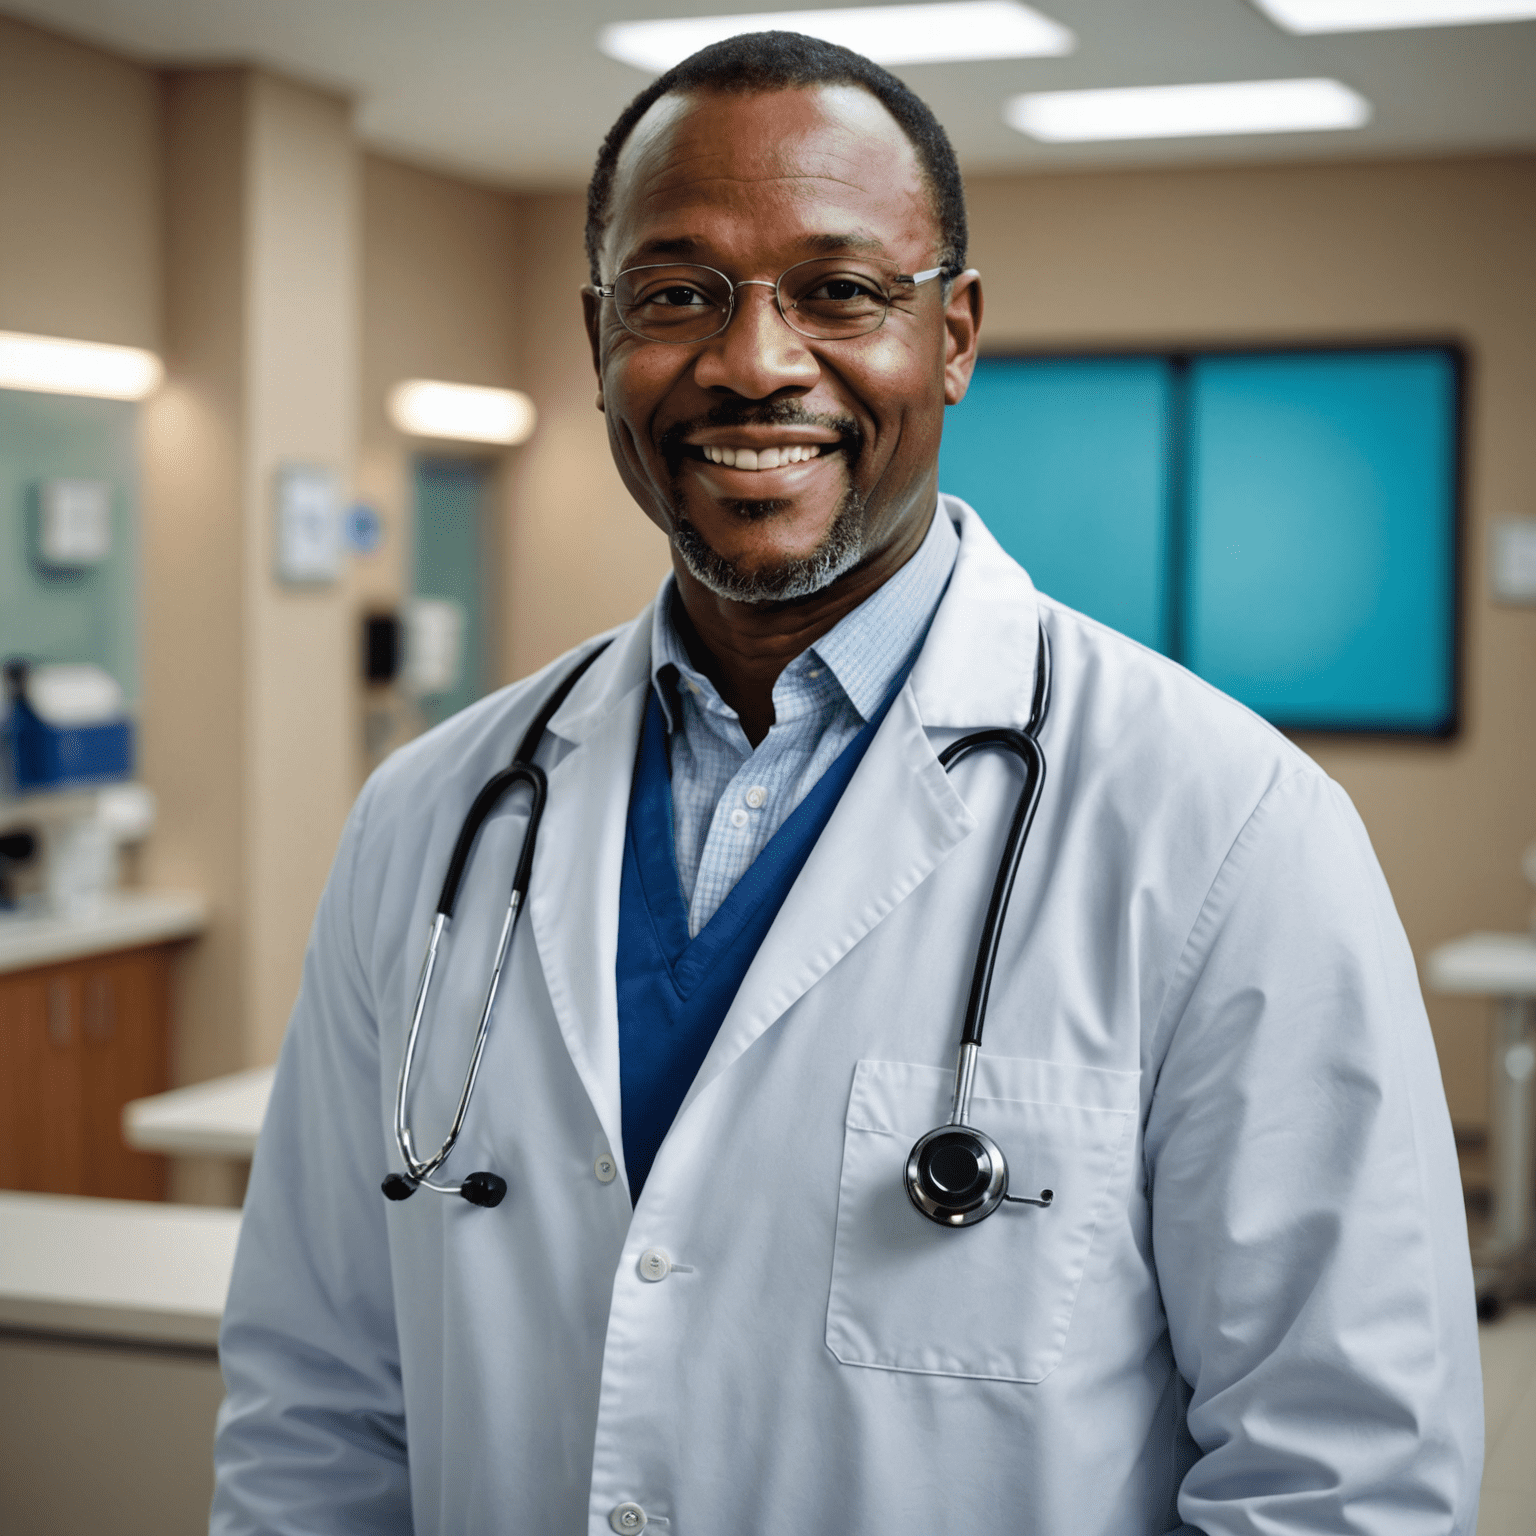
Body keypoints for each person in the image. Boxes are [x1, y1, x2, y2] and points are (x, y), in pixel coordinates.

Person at [211, 32, 1482, 1536]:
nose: (753, 362)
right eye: (677, 293)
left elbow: (1343, 1476)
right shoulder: (431, 816)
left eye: (841, 291)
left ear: (953, 333)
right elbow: (317, 1408)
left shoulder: (1227, 830)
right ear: (598, 336)